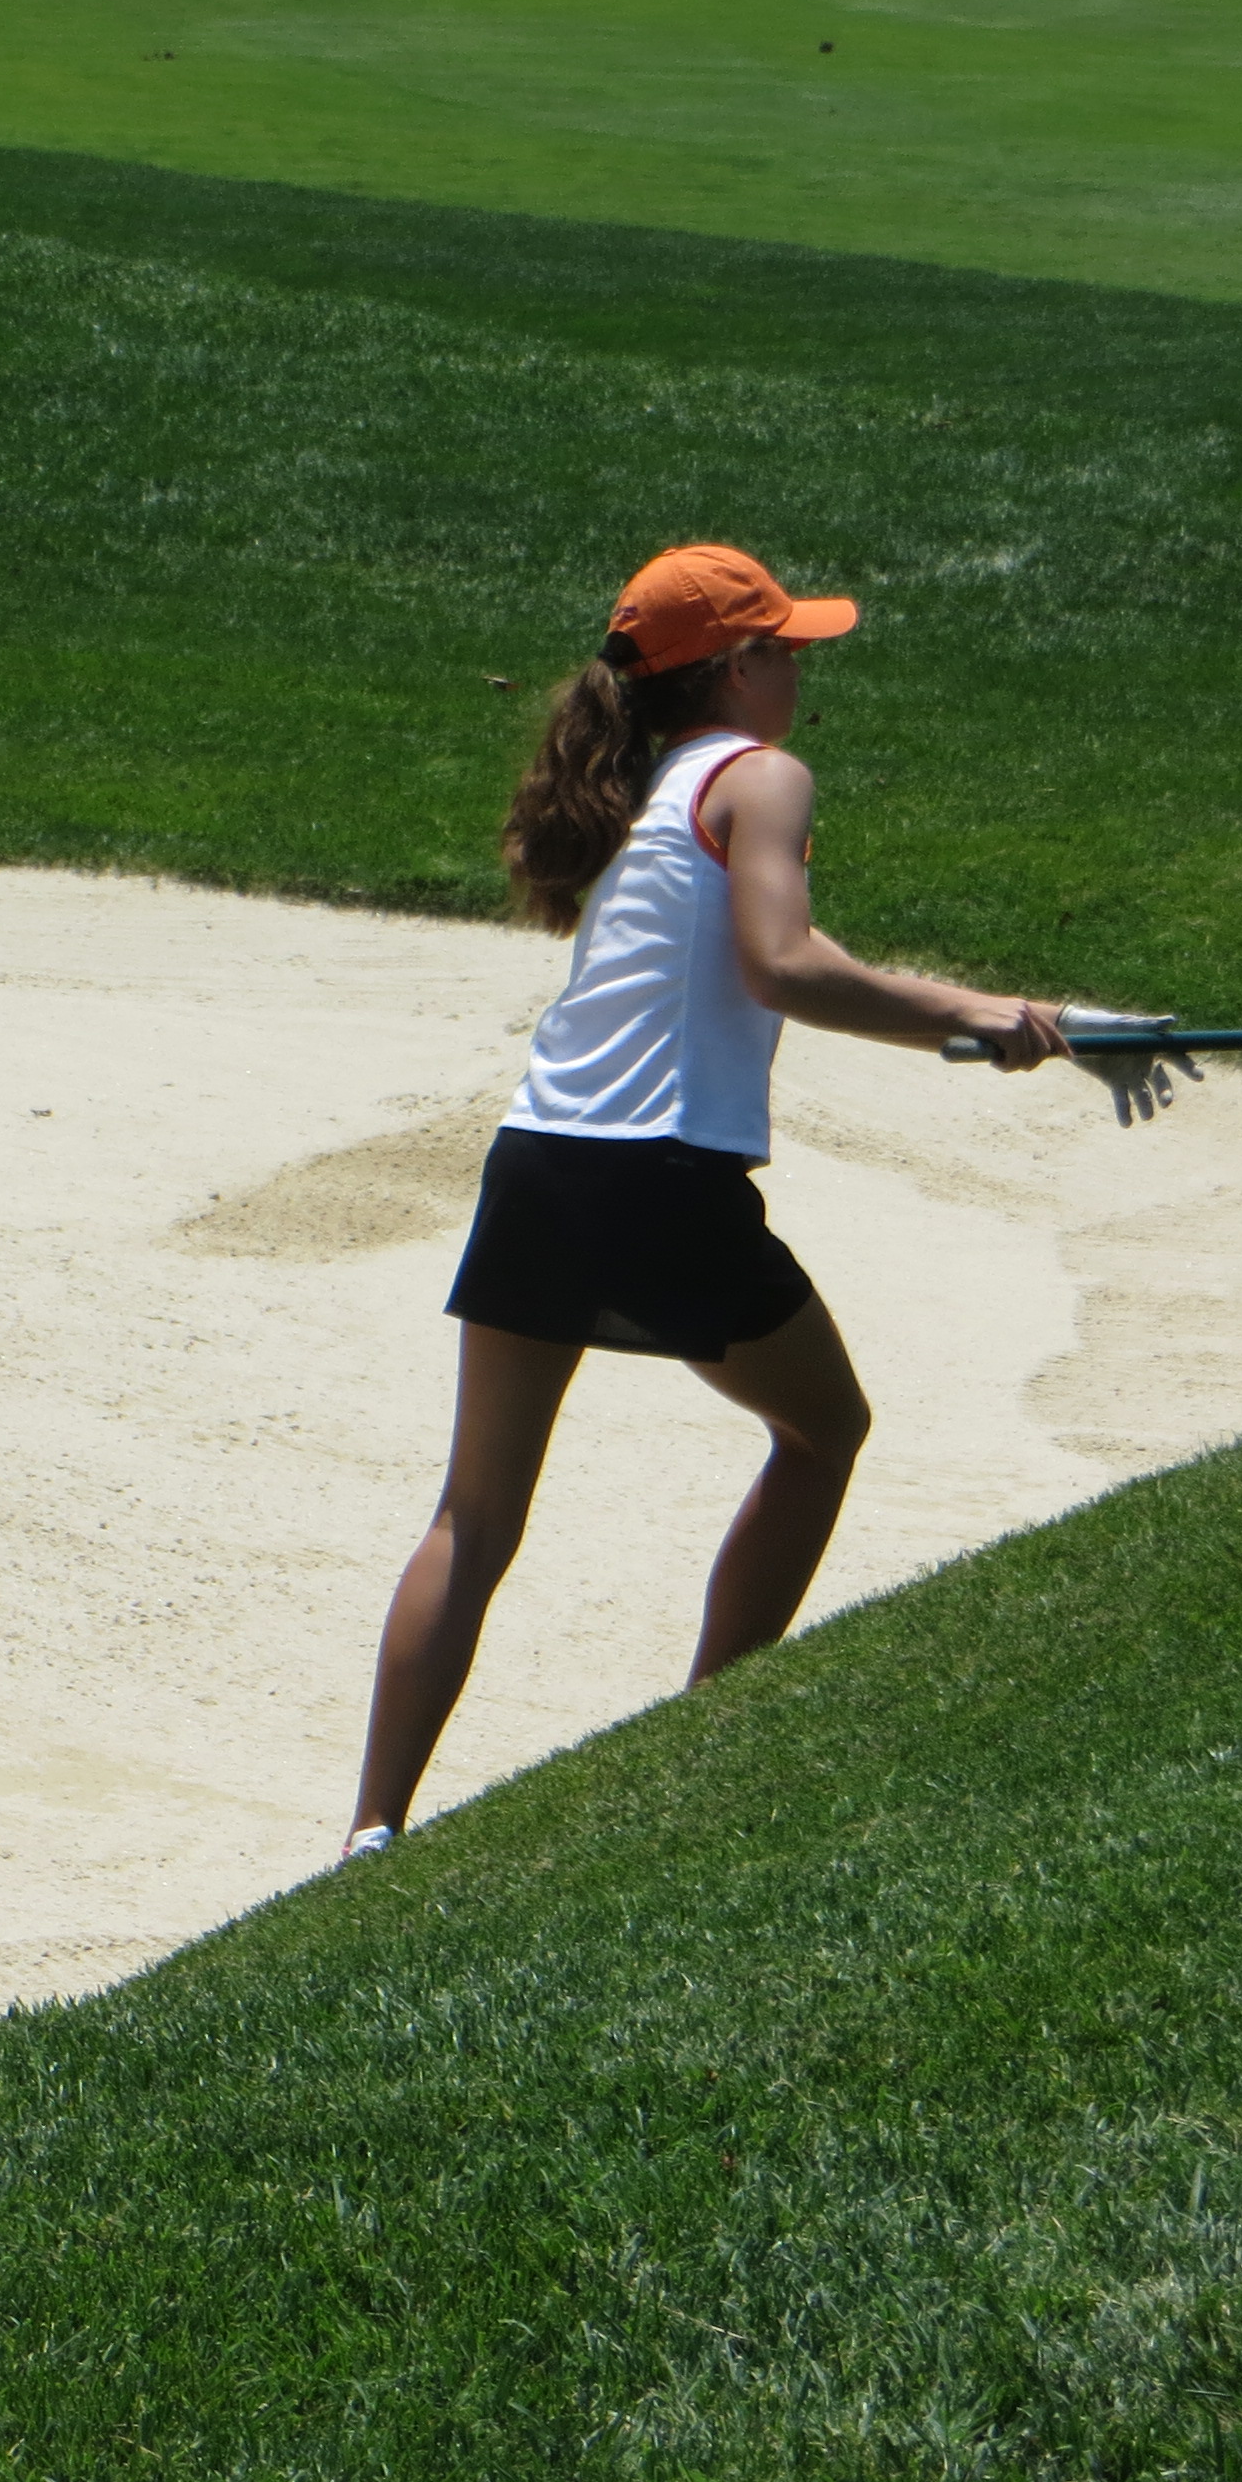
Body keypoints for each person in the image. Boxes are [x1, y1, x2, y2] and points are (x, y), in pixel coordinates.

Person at [338, 543, 1169, 1861]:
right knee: (826, 1428)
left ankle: (372, 1830)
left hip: (540, 1161)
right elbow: (785, 964)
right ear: (733, 668)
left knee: (474, 1517)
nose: (802, 672)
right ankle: (700, 1748)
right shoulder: (761, 776)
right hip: (661, 1173)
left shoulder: (643, 784)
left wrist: (1014, 1020)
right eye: (784, 649)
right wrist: (1016, 1018)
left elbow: (792, 952)